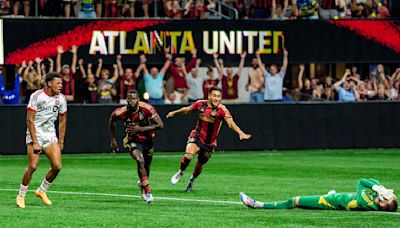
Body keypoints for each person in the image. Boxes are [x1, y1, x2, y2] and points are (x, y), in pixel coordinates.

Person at [167, 86, 251, 192]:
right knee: (188, 155)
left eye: (219, 96)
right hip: (197, 136)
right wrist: (174, 113)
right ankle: (181, 172)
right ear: (209, 96)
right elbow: (187, 110)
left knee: (199, 164)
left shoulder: (222, 109)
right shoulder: (200, 104)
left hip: (209, 143)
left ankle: (191, 181)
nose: (216, 98)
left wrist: (240, 132)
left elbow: (230, 123)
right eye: (214, 96)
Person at [16, 72, 67, 208]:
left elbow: (63, 120)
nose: (61, 86)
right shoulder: (37, 96)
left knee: (57, 166)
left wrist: (61, 141)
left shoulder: (61, 99)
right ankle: (21, 196)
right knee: (32, 166)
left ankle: (41, 190)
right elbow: (29, 120)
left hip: (50, 134)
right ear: (49, 83)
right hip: (35, 133)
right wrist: (36, 142)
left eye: (61, 83)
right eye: (58, 83)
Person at [109, 90, 164, 204]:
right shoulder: (120, 112)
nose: (131, 101)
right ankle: (148, 193)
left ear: (138, 100)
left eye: (134, 98)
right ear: (126, 100)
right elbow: (111, 121)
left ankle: (142, 184)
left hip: (147, 140)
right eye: (129, 98)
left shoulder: (147, 108)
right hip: (132, 140)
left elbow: (160, 125)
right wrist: (113, 139)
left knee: (147, 166)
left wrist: (141, 129)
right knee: (140, 160)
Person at [240, 178, 397, 212]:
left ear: (383, 204)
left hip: (328, 202)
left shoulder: (366, 204)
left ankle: (257, 204)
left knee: (294, 200)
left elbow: (360, 182)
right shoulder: (374, 199)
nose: (384, 195)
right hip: (336, 197)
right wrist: (378, 186)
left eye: (387, 197)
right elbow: (368, 180)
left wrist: (376, 189)